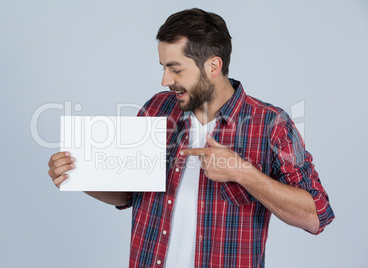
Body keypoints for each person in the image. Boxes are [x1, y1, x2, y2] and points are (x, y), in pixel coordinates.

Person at [47, 8, 334, 268]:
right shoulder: (156, 109)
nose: (165, 80)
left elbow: (315, 215)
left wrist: (242, 172)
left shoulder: (272, 124)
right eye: (163, 67)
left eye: (175, 68)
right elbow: (128, 194)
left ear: (213, 66)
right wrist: (79, 175)